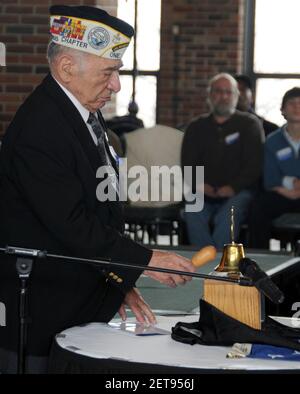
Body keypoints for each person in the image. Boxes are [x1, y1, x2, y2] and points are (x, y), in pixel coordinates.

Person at [0, 5, 195, 373]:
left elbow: (100, 207)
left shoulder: (80, 109)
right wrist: (146, 260)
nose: (116, 85)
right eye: (109, 72)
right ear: (67, 68)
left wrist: (117, 283)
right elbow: (71, 224)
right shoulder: (40, 127)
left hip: (76, 297)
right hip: (42, 309)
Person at [182, 73, 264, 249]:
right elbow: (187, 164)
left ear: (236, 96)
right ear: (210, 95)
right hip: (202, 190)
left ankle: (219, 266)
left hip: (239, 191)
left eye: (229, 92)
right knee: (192, 209)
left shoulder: (250, 124)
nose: (224, 96)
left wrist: (232, 188)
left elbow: (254, 165)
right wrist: (201, 185)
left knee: (228, 215)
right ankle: (204, 262)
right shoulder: (196, 126)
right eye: (218, 91)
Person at [249, 87, 300, 249]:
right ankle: (260, 259)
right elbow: (270, 178)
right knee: (257, 208)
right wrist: (291, 185)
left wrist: (291, 182)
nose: (297, 107)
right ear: (282, 110)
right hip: (281, 193)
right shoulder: (272, 141)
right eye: (292, 103)